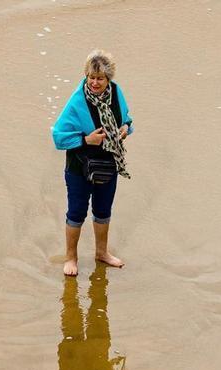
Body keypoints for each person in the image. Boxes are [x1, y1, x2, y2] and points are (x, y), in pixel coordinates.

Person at [52, 49, 133, 276]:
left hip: (108, 165)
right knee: (76, 213)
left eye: (100, 78)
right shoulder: (77, 101)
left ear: (109, 79)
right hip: (79, 168)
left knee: (103, 211)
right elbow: (58, 137)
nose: (95, 83)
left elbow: (127, 119)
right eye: (91, 77)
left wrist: (125, 128)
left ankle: (102, 253)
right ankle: (71, 257)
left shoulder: (116, 92)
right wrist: (87, 140)